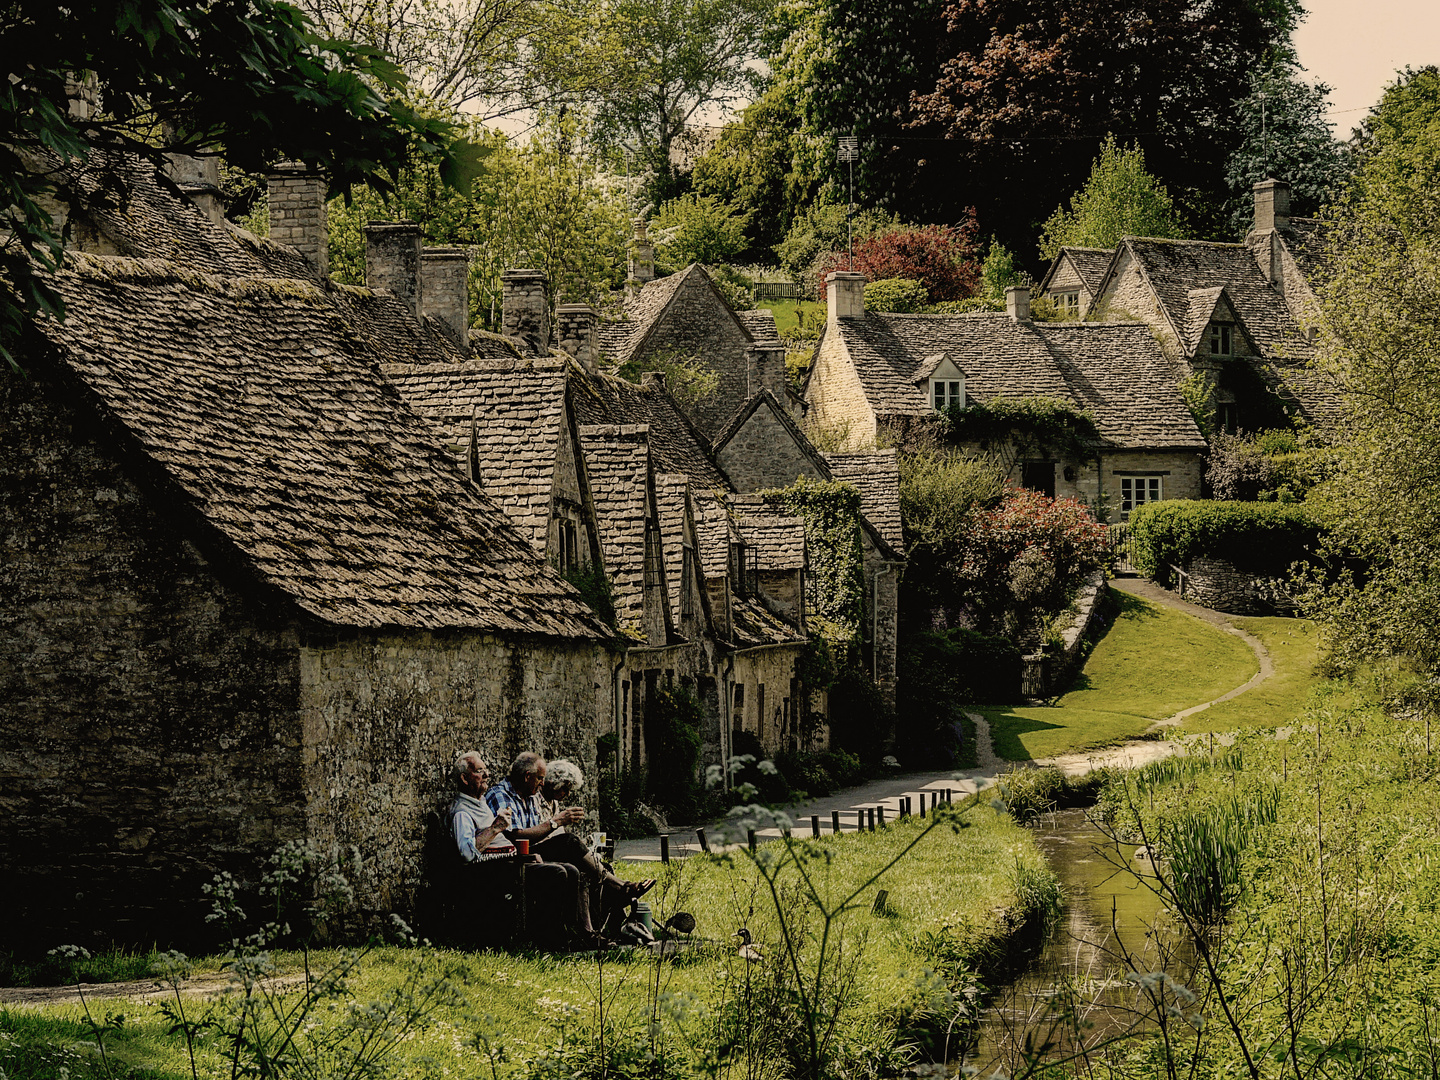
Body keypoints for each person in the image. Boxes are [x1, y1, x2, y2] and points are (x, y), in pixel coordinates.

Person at [450, 752, 599, 948]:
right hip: (493, 871)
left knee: (571, 870)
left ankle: (573, 935)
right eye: (480, 771)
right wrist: (495, 828)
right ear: (464, 778)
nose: (487, 775)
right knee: (557, 872)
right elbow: (467, 853)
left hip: (512, 862)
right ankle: (550, 939)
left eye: (486, 770)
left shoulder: (482, 804)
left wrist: (526, 855)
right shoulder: (462, 812)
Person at [536, 759, 654, 928]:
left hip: (555, 849)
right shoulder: (535, 800)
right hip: (542, 851)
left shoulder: (553, 803)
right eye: (565, 789)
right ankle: (620, 886)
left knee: (601, 866)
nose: (567, 794)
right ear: (554, 783)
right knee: (572, 844)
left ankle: (609, 924)